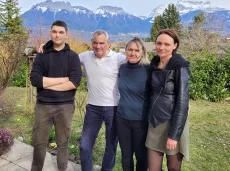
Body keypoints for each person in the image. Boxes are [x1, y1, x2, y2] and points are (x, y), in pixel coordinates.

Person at [39, 30, 126, 171]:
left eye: (101, 43)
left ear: (108, 44)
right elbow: (65, 57)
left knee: (111, 146)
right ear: (91, 43)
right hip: (93, 109)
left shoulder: (119, 58)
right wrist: (48, 47)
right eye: (95, 43)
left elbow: (137, 60)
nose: (98, 46)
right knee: (85, 146)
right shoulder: (85, 57)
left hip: (114, 109)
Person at [30, 20, 82, 171]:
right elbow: (35, 80)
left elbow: (74, 82)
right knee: (39, 143)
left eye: (61, 32)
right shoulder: (42, 55)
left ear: (66, 35)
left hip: (65, 106)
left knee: (63, 143)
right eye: (54, 32)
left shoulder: (73, 56)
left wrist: (47, 84)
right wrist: (61, 80)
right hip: (43, 106)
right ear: (50, 33)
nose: (57, 35)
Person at [146, 29, 190, 171]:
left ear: (175, 45)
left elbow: (182, 103)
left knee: (173, 169)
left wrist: (174, 136)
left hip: (173, 122)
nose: (162, 47)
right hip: (155, 123)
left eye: (166, 44)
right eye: (159, 43)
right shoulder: (153, 64)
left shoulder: (180, 67)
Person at [115, 37, 151, 171]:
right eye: (130, 49)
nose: (133, 53)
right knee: (126, 156)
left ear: (143, 52)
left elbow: (161, 90)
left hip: (141, 121)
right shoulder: (122, 68)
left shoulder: (149, 69)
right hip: (122, 119)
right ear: (126, 51)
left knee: (141, 157)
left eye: (137, 50)